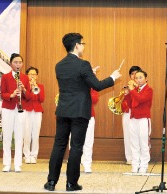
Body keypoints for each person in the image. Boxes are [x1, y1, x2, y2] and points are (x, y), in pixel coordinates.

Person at [44, 32, 121, 192]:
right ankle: (71, 184)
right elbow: (98, 85)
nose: (83, 46)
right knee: (76, 147)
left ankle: (51, 182)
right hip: (80, 111)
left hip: (63, 110)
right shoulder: (83, 65)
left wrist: (88, 73)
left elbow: (75, 82)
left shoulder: (59, 65)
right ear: (77, 45)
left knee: (59, 145)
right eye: (82, 43)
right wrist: (112, 77)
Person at [0, 53, 35, 172]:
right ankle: (7, 163)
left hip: (21, 109)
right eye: (15, 62)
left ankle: (18, 163)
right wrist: (12, 95)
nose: (18, 64)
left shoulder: (25, 78)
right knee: (7, 136)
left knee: (19, 136)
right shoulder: (5, 77)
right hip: (8, 108)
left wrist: (24, 90)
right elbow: (2, 94)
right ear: (10, 64)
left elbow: (29, 96)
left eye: (20, 62)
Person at [125, 70, 153, 173]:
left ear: (146, 79)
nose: (138, 80)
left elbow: (141, 99)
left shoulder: (149, 90)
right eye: (136, 78)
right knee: (134, 143)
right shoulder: (134, 90)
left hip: (143, 119)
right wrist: (127, 94)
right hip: (133, 118)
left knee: (143, 143)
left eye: (140, 77)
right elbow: (130, 104)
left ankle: (144, 165)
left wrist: (132, 90)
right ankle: (135, 164)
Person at [23, 67, 44, 164]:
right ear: (27, 76)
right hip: (27, 110)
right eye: (30, 74)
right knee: (26, 134)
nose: (32, 76)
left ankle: (34, 155)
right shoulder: (24, 87)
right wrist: (30, 88)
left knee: (36, 134)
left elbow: (41, 99)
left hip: (37, 111)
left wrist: (36, 87)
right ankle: (26, 155)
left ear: (37, 76)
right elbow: (26, 98)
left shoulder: (40, 86)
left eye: (34, 74)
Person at [122, 66, 141, 165]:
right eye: (132, 74)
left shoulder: (143, 87)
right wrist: (126, 94)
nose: (134, 76)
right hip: (128, 113)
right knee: (128, 136)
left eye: (136, 73)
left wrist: (133, 89)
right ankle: (129, 158)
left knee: (139, 135)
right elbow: (125, 104)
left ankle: (138, 157)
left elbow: (139, 101)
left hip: (139, 113)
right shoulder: (127, 87)